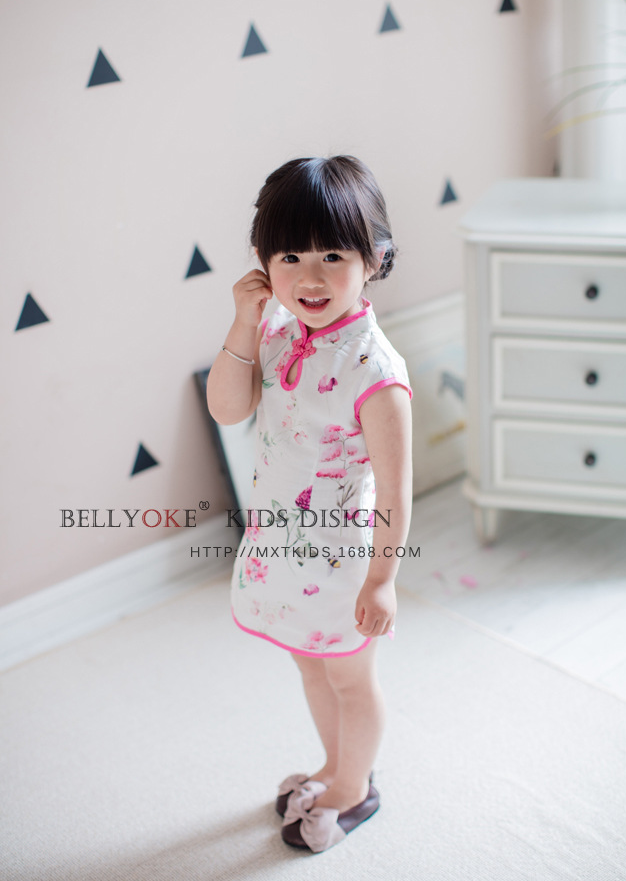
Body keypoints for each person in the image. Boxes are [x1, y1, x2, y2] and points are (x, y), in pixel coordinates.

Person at [207, 156, 413, 854]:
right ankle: (333, 765)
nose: (311, 278)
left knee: (351, 678)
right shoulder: (276, 332)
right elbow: (228, 408)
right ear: (263, 263)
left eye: (333, 256)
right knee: (310, 666)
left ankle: (355, 790)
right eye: (290, 257)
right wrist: (244, 320)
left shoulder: (374, 371)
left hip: (341, 564)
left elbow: (395, 490)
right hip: (280, 552)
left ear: (373, 258)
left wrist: (382, 580)